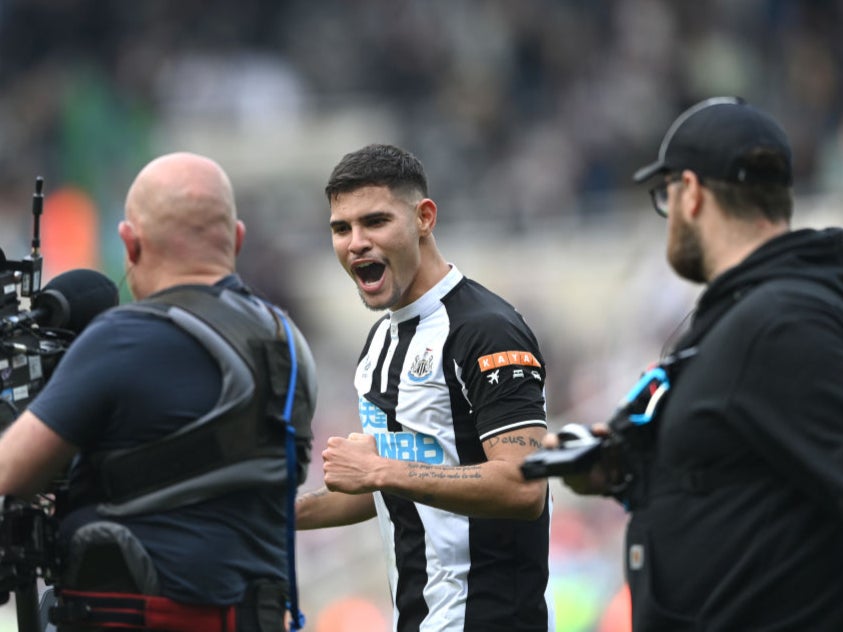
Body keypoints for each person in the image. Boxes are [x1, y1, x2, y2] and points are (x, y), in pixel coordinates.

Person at [546, 97, 843, 630]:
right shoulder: (744, 312)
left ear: (693, 194)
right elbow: (739, 473)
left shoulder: (778, 322)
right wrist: (620, 469)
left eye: (665, 195)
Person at [0, 152, 317, 631]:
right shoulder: (287, 342)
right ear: (236, 238)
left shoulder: (123, 337)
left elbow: (10, 474)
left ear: (130, 242)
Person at [296, 143, 555, 631]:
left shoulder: (486, 330)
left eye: (374, 222)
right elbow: (383, 487)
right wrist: (279, 515)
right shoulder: (378, 344)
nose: (356, 242)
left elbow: (524, 487)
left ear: (424, 218)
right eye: (341, 228)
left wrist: (380, 470)